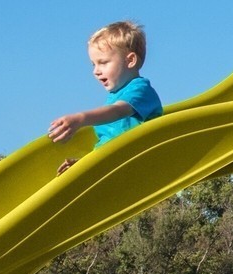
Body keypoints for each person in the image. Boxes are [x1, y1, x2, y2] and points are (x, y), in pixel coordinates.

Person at [48, 20, 162, 175]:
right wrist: (84, 164)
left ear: (130, 60)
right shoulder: (114, 96)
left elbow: (118, 111)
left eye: (103, 63)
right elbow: (109, 142)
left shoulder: (140, 89)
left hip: (136, 161)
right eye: (93, 64)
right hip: (114, 164)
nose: (96, 71)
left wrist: (81, 118)